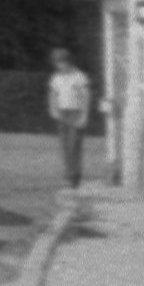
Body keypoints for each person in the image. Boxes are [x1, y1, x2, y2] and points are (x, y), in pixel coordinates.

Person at [45, 50, 97, 192]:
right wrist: (53, 109)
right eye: (57, 63)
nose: (60, 66)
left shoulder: (79, 76)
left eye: (62, 62)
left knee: (74, 145)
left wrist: (84, 116)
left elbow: (86, 96)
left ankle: (75, 177)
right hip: (63, 113)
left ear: (68, 61)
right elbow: (53, 94)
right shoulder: (56, 78)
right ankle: (68, 176)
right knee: (65, 146)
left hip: (76, 112)